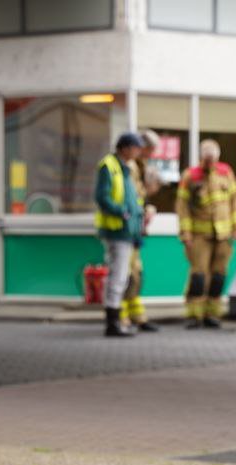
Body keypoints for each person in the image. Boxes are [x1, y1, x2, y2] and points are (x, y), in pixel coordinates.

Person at [176, 139, 236, 328]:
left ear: (217, 158)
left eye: (212, 160)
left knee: (219, 274)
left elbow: (235, 201)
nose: (210, 164)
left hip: (224, 235)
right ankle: (194, 314)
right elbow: (182, 207)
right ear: (201, 158)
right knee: (198, 275)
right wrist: (186, 232)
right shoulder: (191, 176)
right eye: (206, 160)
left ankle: (213, 313)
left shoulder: (226, 173)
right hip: (199, 235)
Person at [93, 132, 145, 338]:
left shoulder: (125, 169)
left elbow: (131, 199)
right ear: (125, 148)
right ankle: (112, 323)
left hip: (126, 231)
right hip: (117, 230)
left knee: (121, 276)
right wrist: (122, 213)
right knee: (118, 276)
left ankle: (114, 321)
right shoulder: (109, 166)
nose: (138, 152)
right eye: (136, 148)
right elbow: (102, 197)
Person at [121, 129, 161, 333]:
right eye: (149, 150)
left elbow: (139, 196)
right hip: (125, 228)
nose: (151, 155)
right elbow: (129, 196)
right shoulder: (127, 167)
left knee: (136, 273)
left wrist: (146, 208)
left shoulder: (139, 166)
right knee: (126, 273)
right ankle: (122, 316)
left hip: (135, 226)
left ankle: (136, 315)